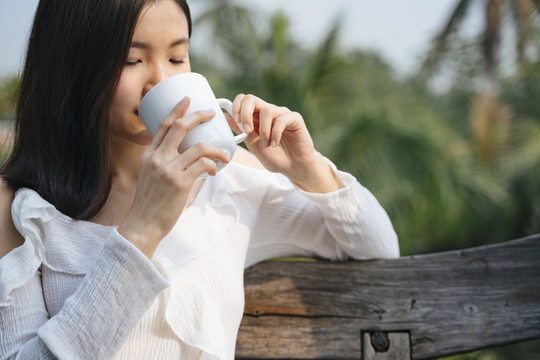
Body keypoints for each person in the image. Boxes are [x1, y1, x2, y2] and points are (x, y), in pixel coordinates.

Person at [0, 0, 399, 359]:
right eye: (131, 60)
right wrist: (142, 230)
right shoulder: (20, 208)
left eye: (177, 57)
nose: (160, 81)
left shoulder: (225, 179)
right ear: (70, 67)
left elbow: (378, 250)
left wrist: (308, 169)